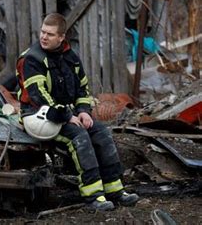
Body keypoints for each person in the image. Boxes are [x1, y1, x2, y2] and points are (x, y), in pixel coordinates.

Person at [16, 13, 139, 211]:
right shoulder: (31, 59)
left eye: (50, 34)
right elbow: (38, 95)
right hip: (39, 116)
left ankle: (115, 190)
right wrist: (67, 116)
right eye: (42, 32)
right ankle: (93, 197)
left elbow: (83, 90)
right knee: (78, 136)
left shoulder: (71, 58)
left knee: (101, 132)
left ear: (61, 37)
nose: (44, 37)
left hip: (67, 114)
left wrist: (84, 111)